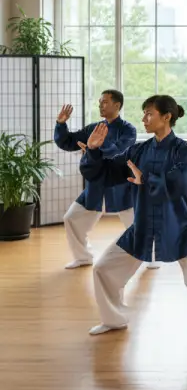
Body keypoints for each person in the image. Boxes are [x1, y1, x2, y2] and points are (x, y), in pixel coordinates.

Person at [80, 95, 187, 338]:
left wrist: (147, 179)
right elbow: (108, 172)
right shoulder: (138, 150)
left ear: (167, 116)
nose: (144, 119)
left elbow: (182, 181)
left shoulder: (184, 150)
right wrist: (95, 151)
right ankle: (113, 319)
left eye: (149, 113)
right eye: (144, 114)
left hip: (179, 224)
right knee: (103, 269)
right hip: (142, 226)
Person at [54, 90, 136, 270]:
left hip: (119, 184)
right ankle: (83, 257)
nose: (100, 105)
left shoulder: (128, 130)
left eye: (105, 102)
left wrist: (94, 148)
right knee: (71, 219)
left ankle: (151, 257)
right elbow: (68, 142)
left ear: (117, 105)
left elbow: (117, 150)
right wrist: (61, 124)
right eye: (99, 102)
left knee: (136, 225)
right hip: (96, 186)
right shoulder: (93, 128)